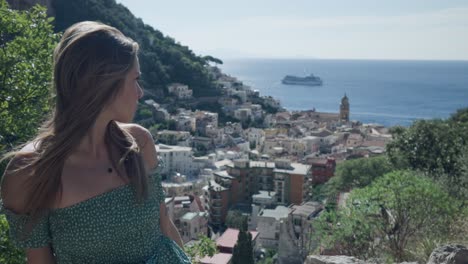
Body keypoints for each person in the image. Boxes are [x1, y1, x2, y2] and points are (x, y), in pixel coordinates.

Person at [0, 21, 191, 263]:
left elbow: (165, 226)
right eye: (135, 80)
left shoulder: (138, 143)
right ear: (103, 85)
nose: (140, 93)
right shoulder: (29, 172)